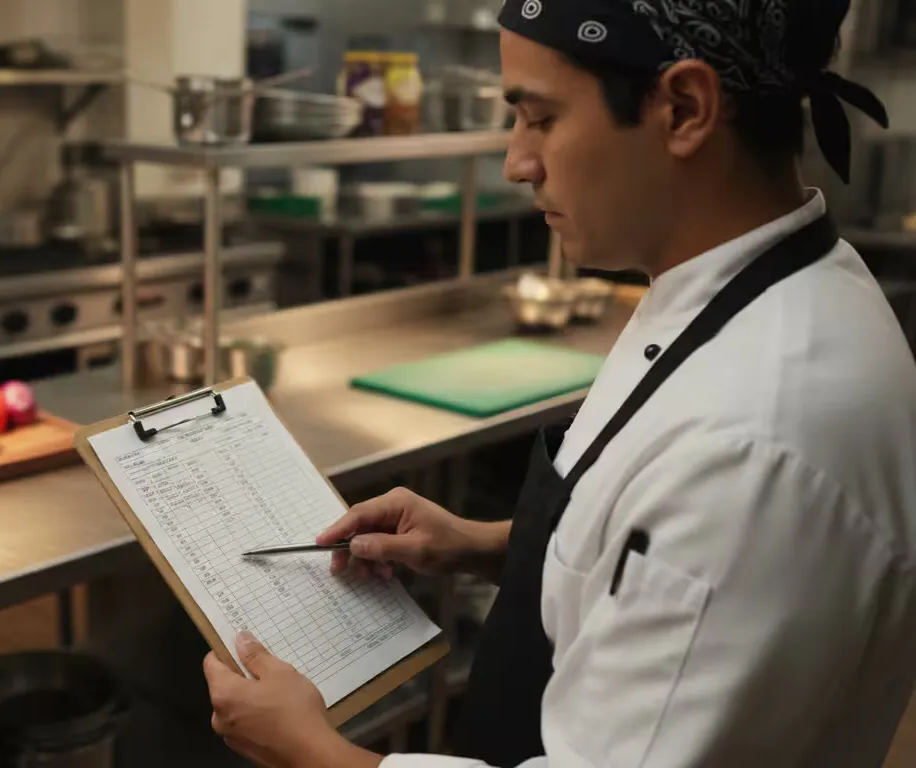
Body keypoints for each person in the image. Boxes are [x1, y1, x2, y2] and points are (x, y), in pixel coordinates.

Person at [201, 1, 916, 766]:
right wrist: (491, 547)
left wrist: (308, 750)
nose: (517, 162)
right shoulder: (750, 288)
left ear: (684, 108)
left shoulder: (752, 443)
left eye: (538, 118)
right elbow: (661, 551)